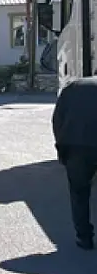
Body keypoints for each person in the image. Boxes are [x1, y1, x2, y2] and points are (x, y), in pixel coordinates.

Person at [52, 76, 97, 249]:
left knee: (79, 193)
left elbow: (57, 119)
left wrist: (61, 146)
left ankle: (84, 237)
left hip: (76, 147)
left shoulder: (73, 86)